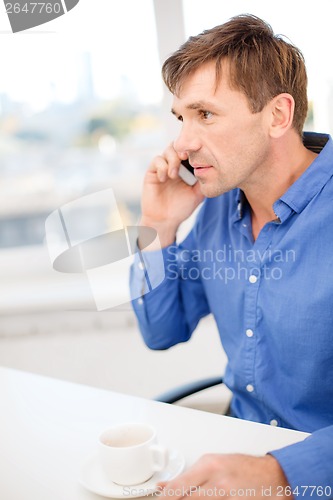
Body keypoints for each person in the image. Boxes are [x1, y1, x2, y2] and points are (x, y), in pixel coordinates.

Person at [130, 14, 333, 499]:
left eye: (206, 114)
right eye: (181, 118)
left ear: (278, 116)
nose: (182, 142)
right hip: (240, 449)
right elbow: (161, 331)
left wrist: (281, 473)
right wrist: (159, 229)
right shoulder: (218, 207)